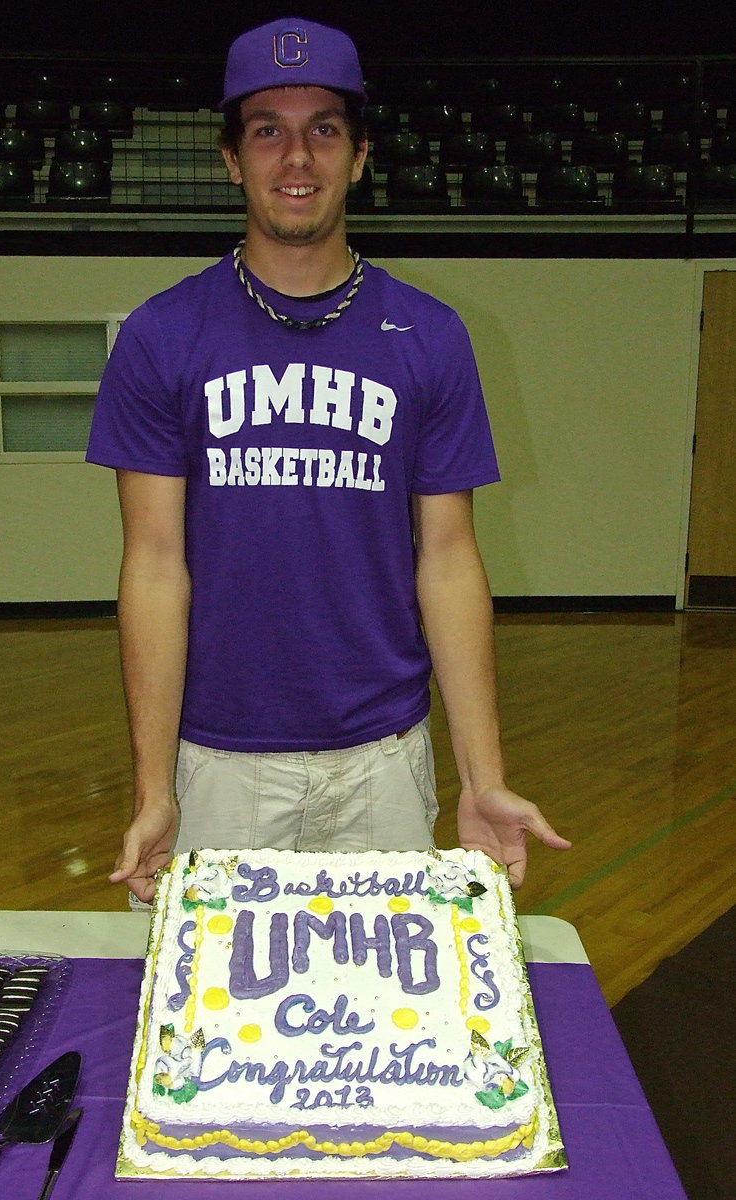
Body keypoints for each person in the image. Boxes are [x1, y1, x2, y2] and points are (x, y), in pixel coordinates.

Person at [86, 17, 570, 905]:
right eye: (267, 129)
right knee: (216, 1037)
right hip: (217, 763)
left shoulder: (431, 336)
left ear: (359, 155)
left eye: (323, 130)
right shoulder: (163, 336)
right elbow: (154, 565)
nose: (296, 156)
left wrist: (483, 775)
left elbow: (450, 558)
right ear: (232, 159)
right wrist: (155, 788)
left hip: (384, 764)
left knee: (379, 1032)